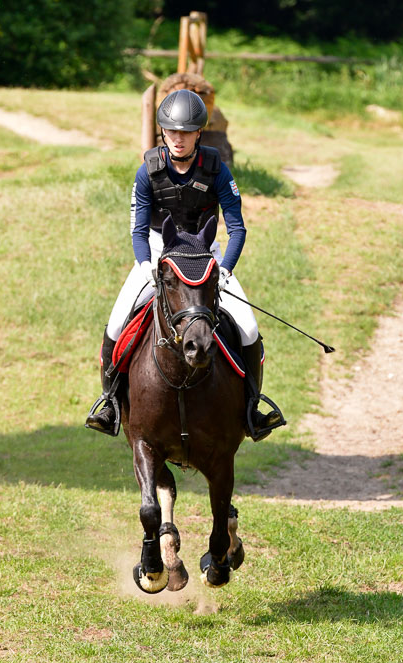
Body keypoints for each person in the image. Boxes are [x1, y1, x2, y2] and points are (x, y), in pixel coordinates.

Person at [86, 88, 285, 440]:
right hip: (158, 253)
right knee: (116, 325)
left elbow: (237, 228)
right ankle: (110, 404)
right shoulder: (147, 172)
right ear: (163, 132)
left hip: (205, 255)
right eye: (172, 131)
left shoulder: (217, 170)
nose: (178, 139)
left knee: (248, 328)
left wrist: (226, 268)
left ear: (198, 133)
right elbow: (137, 229)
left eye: (186, 132)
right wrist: (145, 265)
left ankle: (252, 409)